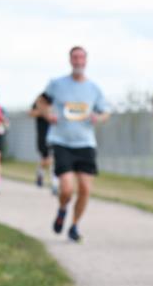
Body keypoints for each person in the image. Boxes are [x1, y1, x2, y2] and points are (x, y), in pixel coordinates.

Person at [36, 46, 110, 242]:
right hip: (61, 140)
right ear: (70, 60)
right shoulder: (57, 84)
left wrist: (98, 117)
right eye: (75, 57)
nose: (78, 61)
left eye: (81, 58)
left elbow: (105, 112)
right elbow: (40, 102)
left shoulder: (94, 88)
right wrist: (47, 114)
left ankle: (74, 225)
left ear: (86, 61)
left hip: (85, 142)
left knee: (85, 189)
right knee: (67, 188)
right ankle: (62, 209)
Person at [29, 91, 57, 193]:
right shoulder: (39, 102)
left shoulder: (56, 101)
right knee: (47, 159)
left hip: (56, 136)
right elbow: (31, 113)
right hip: (43, 136)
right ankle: (40, 172)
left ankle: (55, 184)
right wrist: (44, 110)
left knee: (53, 159)